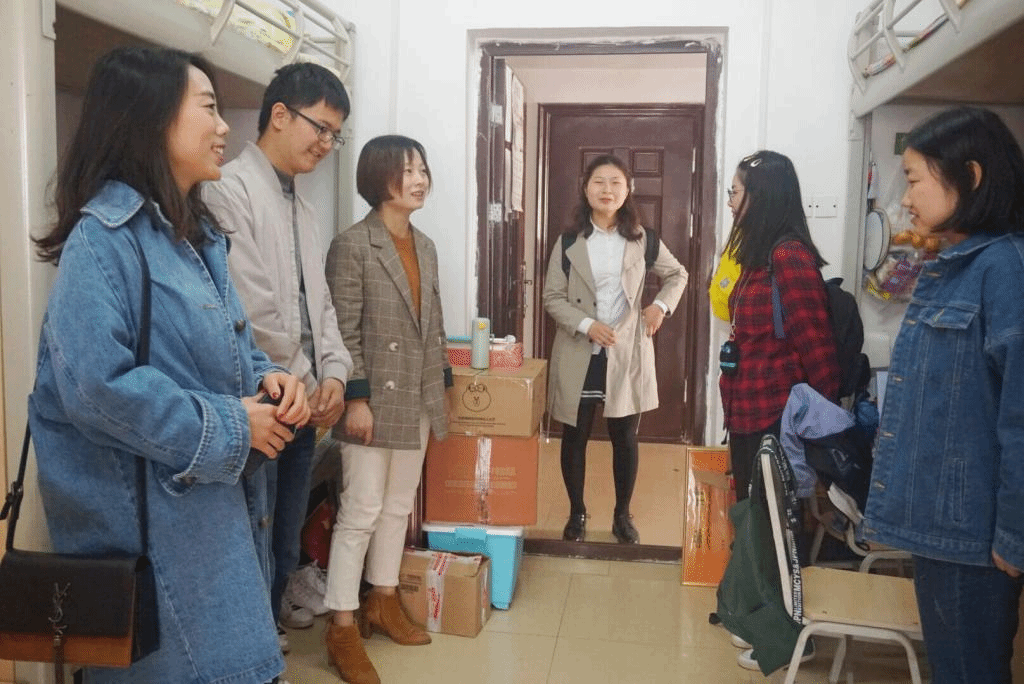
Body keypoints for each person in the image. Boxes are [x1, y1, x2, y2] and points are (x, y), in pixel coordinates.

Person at [27, 46, 309, 683]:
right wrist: (234, 426)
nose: (224, 127)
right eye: (208, 108)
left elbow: (221, 351)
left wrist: (267, 377)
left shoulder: (194, 237)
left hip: (211, 530)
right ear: (150, 118)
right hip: (157, 548)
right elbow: (95, 388)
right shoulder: (104, 240)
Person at [862, 106, 1024, 684]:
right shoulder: (955, 264)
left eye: (913, 179)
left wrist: (1014, 534)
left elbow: (1019, 418)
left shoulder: (1004, 271)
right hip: (946, 523)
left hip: (973, 534)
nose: (906, 200)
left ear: (970, 176)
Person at [203, 62, 353, 650]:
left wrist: (335, 373)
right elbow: (253, 305)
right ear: (281, 115)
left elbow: (322, 306)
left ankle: (268, 618)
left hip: (304, 396)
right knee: (255, 524)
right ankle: (252, 638)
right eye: (321, 127)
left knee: (285, 527)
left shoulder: (304, 209)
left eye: (335, 134)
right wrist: (308, 380)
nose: (326, 143)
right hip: (263, 393)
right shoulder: (227, 189)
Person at [321, 135, 453, 684]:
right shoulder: (352, 245)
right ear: (379, 179)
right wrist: (355, 398)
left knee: (398, 507)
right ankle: (341, 625)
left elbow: (434, 322)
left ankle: (383, 599)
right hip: (371, 401)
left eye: (422, 169)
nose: (419, 180)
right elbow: (341, 330)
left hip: (417, 395)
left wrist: (442, 384)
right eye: (407, 171)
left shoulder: (426, 245)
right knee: (360, 510)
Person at [542, 153, 688, 544]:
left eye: (615, 183)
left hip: (625, 352)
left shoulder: (643, 239)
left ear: (628, 190)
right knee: (575, 435)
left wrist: (660, 307)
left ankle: (622, 515)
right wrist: (587, 325)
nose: (607, 190)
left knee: (624, 436)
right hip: (579, 349)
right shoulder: (569, 241)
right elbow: (552, 297)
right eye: (599, 182)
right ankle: (576, 512)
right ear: (585, 188)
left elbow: (678, 274)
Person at [719, 151, 839, 503]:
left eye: (735, 192)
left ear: (761, 196)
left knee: (774, 525)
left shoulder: (789, 256)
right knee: (751, 519)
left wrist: (821, 430)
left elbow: (817, 349)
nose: (730, 202)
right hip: (746, 412)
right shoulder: (758, 256)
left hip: (777, 420)